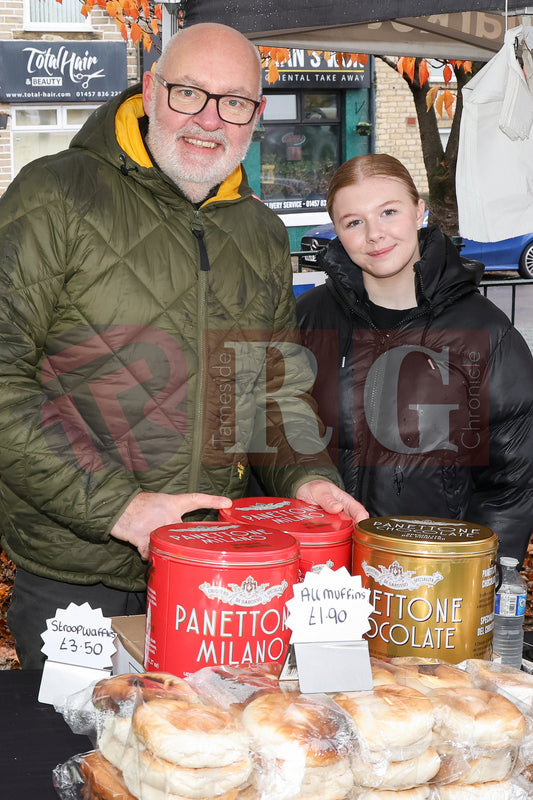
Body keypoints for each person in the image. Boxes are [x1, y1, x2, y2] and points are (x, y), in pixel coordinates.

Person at [0, 23, 367, 669]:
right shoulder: (52, 194)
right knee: (75, 761)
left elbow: (272, 387)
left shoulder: (257, 230)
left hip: (221, 568)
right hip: (81, 576)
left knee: (205, 757)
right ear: (149, 91)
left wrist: (307, 479)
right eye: (188, 93)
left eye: (233, 102)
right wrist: (119, 507)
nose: (208, 120)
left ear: (254, 116)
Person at [297, 153, 533, 562]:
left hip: (430, 580)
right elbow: (275, 448)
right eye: (354, 222)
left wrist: (471, 580)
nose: (375, 234)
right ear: (337, 231)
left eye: (389, 211)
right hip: (320, 577)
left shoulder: (485, 331)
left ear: (419, 211)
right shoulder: (308, 319)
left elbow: (514, 484)